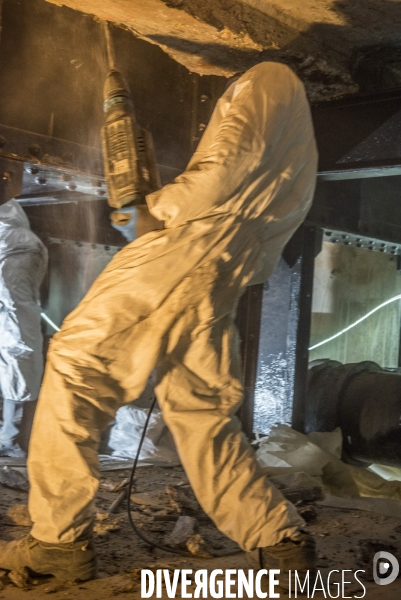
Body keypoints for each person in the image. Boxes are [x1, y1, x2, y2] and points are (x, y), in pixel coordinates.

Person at [0, 62, 318, 584]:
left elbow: (224, 168)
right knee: (200, 415)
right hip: (221, 269)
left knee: (78, 366)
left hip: (188, 247)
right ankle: (277, 541)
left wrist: (158, 212)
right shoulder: (298, 139)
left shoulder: (266, 80)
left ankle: (57, 542)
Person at [0, 199, 47, 457]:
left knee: (18, 352)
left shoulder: (11, 239)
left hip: (13, 250)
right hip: (16, 248)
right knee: (16, 352)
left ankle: (16, 440)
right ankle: (13, 438)